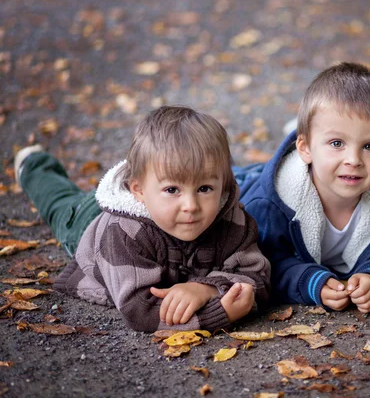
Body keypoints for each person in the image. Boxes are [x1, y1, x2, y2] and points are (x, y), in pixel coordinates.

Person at [14, 106, 270, 332]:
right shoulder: (122, 233)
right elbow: (140, 310)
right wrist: (219, 314)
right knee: (59, 204)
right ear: (138, 190)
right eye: (173, 190)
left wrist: (207, 289)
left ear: (222, 184)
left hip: (147, 204)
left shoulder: (230, 216)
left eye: (204, 188)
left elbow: (257, 275)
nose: (191, 206)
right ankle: (34, 166)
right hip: (86, 220)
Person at [235, 62, 370, 313]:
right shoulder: (270, 205)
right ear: (305, 148)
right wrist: (311, 282)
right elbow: (264, 263)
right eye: (337, 143)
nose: (354, 160)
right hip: (247, 185)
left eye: (369, 146)